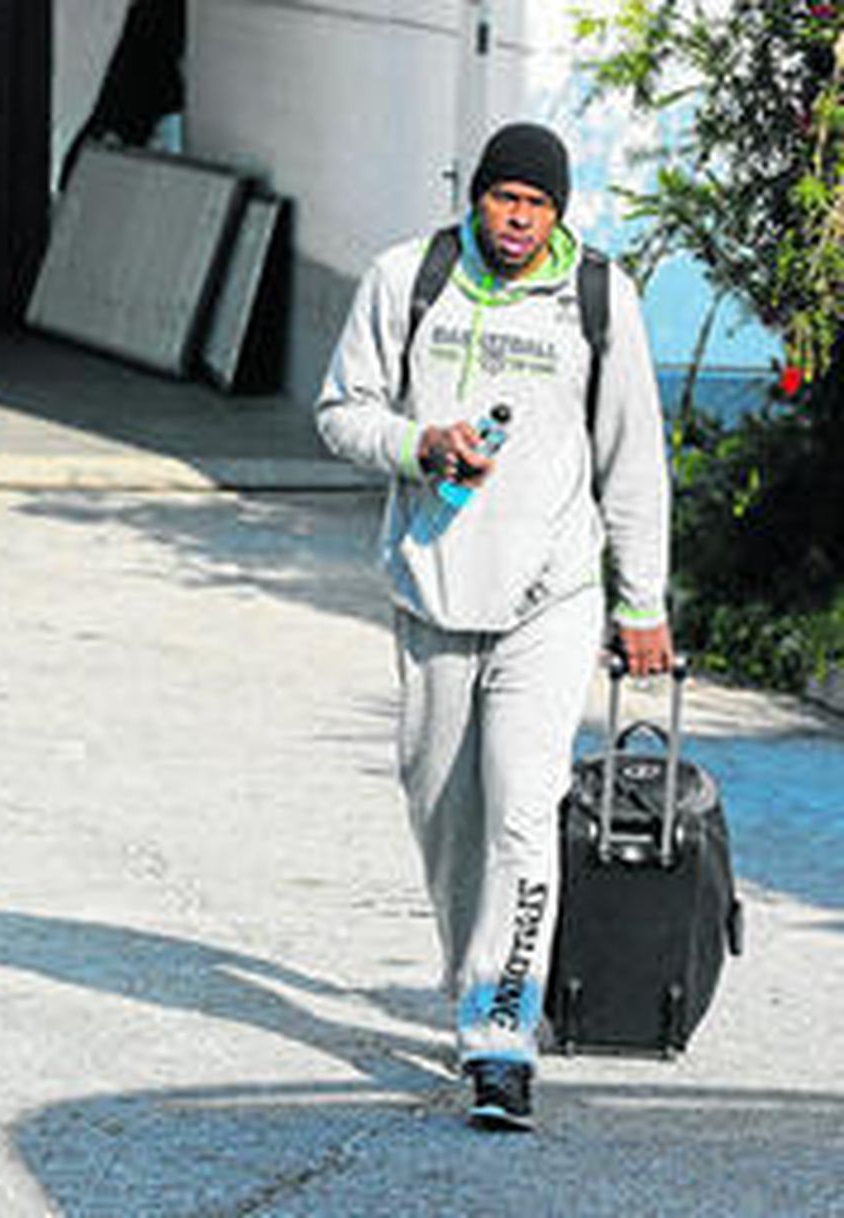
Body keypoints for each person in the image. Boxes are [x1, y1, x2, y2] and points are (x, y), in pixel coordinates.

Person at [316, 122, 671, 1131]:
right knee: (444, 816)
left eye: (539, 204)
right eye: (504, 199)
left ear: (561, 212)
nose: (519, 220)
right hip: (432, 590)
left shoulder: (599, 299)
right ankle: (467, 973)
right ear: (476, 197)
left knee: (521, 811)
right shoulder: (406, 278)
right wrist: (419, 444)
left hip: (552, 599)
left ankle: (499, 1034)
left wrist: (641, 600)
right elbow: (340, 412)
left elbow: (631, 454)